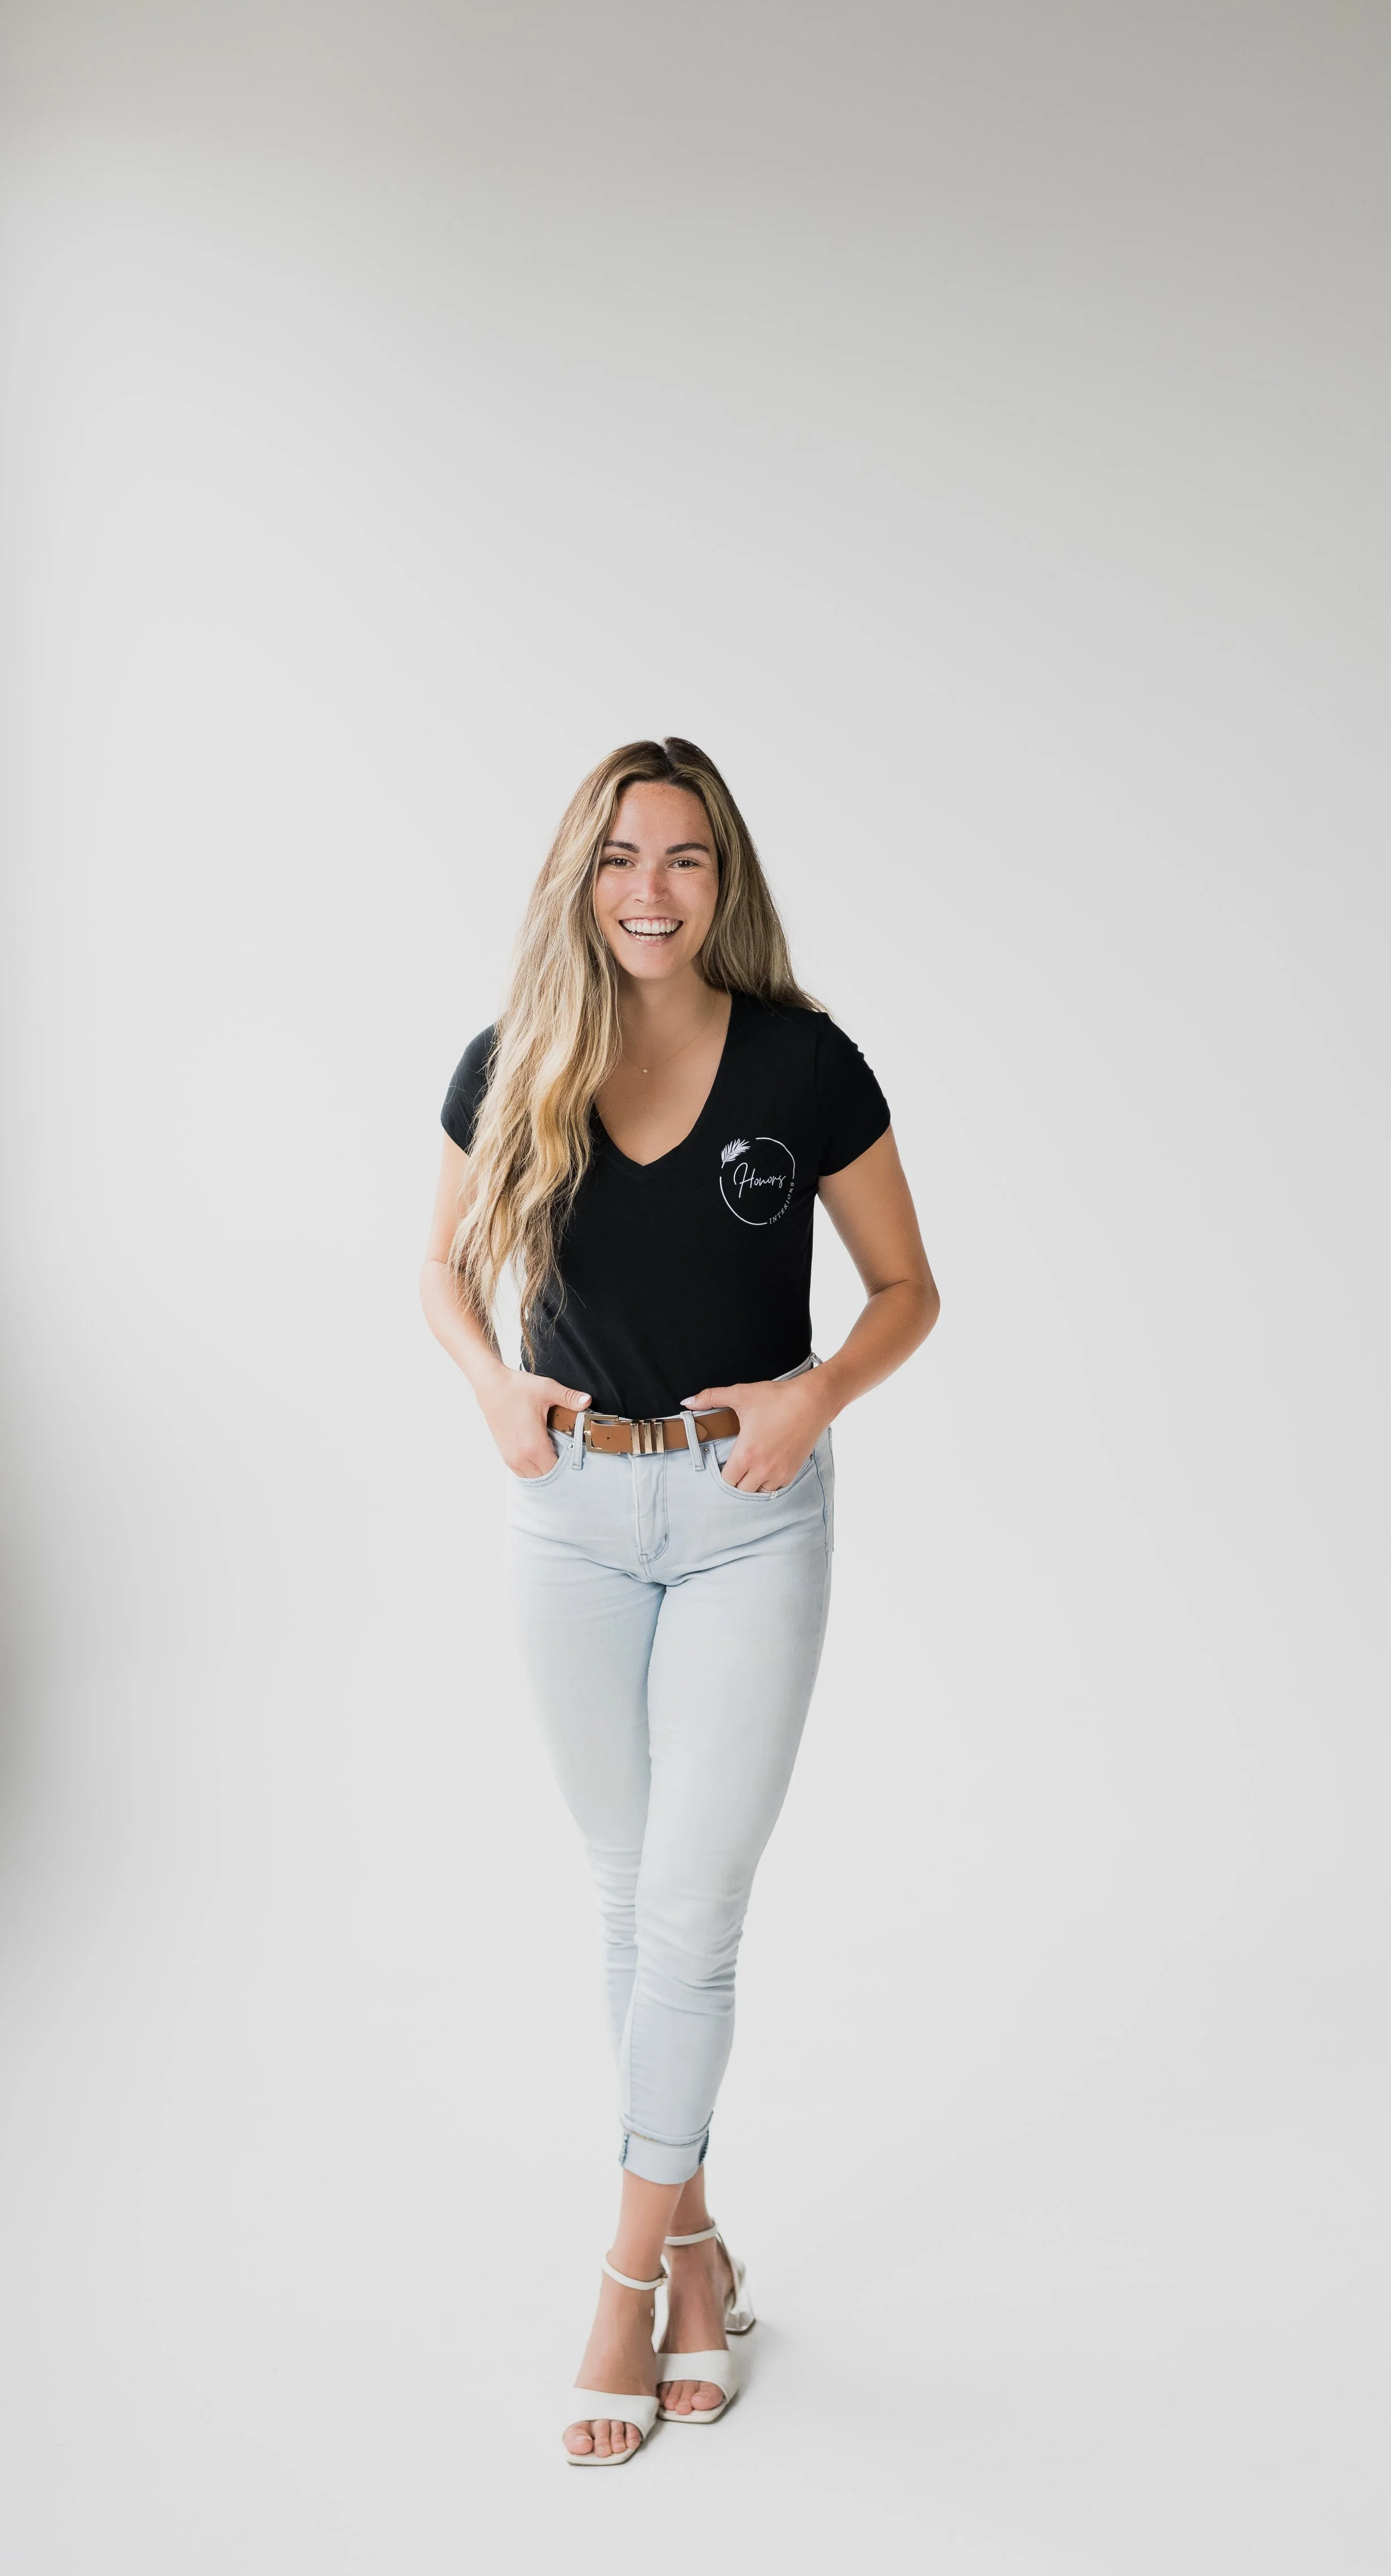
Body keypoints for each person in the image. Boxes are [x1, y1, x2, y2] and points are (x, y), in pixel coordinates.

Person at [421, 737, 939, 2464]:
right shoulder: (515, 1056)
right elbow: (438, 1267)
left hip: (745, 1515)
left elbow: (905, 1287)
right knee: (629, 1895)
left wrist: (812, 1397)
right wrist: (495, 1389)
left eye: (686, 858)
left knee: (691, 1910)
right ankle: (702, 2247)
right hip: (567, 1514)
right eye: (622, 857)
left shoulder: (802, 1061)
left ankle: (625, 2277)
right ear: (581, 876)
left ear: (726, 881)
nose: (652, 890)